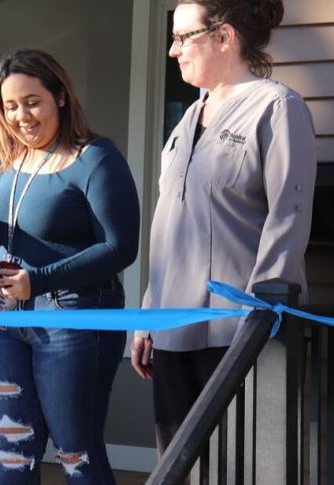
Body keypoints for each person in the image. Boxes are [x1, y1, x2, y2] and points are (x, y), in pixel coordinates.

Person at [131, 0, 317, 457]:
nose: (173, 51)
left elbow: (288, 220)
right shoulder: (187, 120)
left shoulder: (277, 107)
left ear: (224, 37)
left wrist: (256, 321)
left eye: (181, 37)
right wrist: (148, 315)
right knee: (178, 464)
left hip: (241, 335)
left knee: (243, 466)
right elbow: (170, 226)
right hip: (173, 330)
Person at [0, 49, 140, 484]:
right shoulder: (9, 168)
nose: (22, 115)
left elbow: (120, 248)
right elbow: (5, 242)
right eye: (10, 105)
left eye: (32, 101)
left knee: (77, 454)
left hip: (75, 320)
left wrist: (38, 281)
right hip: (7, 323)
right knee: (12, 454)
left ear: (60, 95)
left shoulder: (96, 158)